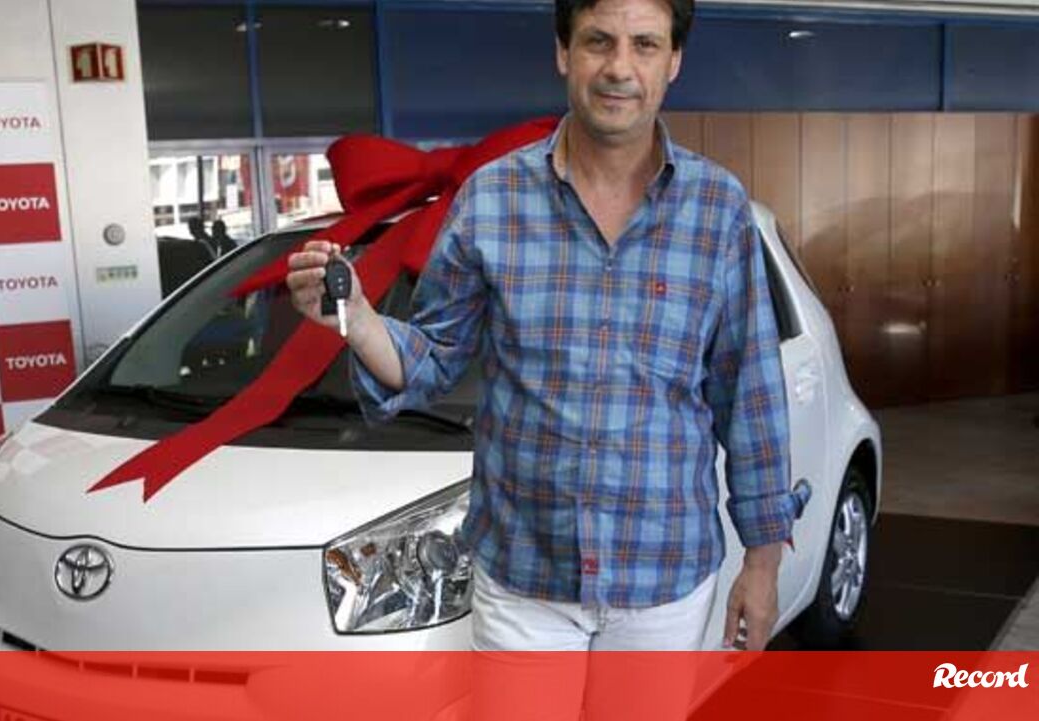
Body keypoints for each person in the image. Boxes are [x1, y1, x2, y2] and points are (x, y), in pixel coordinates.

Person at [288, 0, 796, 713]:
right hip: (525, 576)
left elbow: (750, 397)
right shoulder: (492, 200)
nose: (620, 68)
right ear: (563, 52)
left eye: (645, 45)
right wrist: (360, 321)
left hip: (664, 578)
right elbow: (433, 357)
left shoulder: (718, 209)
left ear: (674, 61)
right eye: (598, 41)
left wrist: (762, 566)